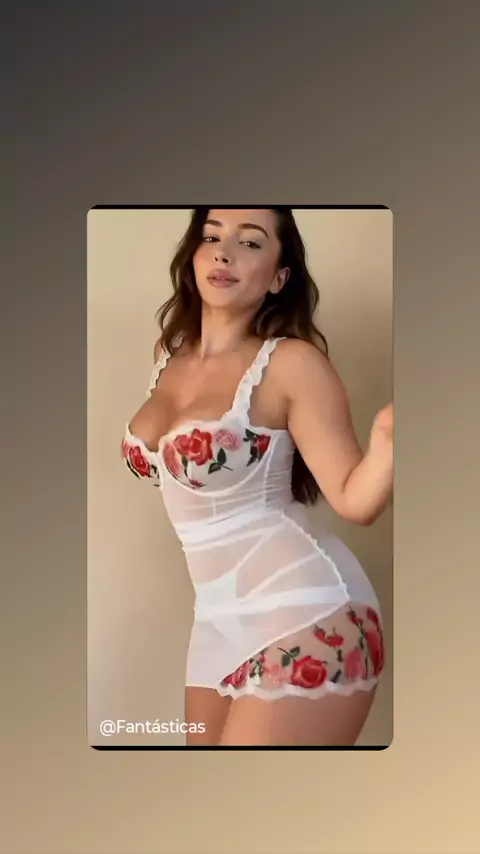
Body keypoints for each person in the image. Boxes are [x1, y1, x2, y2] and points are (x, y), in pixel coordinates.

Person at [121, 207, 393, 747]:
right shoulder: (167, 355)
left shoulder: (292, 364)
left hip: (306, 610)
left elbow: (354, 499)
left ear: (278, 277)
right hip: (214, 621)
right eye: (211, 237)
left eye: (249, 243)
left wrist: (390, 436)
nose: (224, 253)